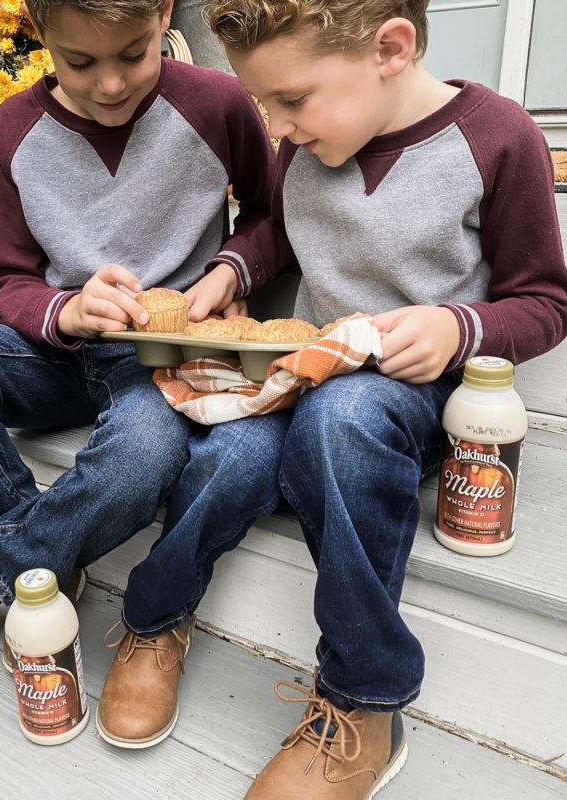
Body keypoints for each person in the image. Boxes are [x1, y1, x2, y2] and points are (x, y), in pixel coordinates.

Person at [0, 0, 286, 750]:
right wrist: (65, 310)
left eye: (134, 54)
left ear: (165, 15)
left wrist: (233, 267)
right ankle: (46, 561)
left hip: (162, 361)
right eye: (79, 62)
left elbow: (274, 214)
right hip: (59, 350)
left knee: (147, 450)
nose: (110, 83)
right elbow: (4, 278)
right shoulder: (13, 129)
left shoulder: (217, 103)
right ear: (40, 32)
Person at [195, 1, 567, 798]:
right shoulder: (310, 146)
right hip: (318, 376)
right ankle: (153, 623)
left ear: (391, 47)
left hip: (421, 397)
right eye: (265, 106)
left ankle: (364, 700)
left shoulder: (500, 137)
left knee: (344, 420)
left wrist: (458, 325)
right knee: (217, 445)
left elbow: (545, 302)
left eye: (290, 101)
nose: (280, 129)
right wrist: (233, 270)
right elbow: (278, 234)